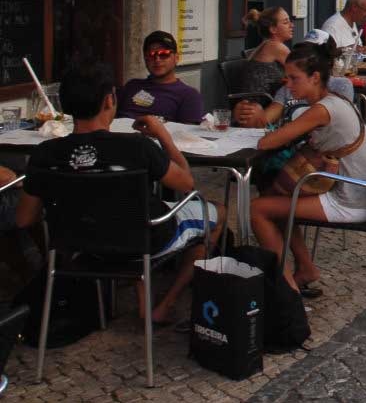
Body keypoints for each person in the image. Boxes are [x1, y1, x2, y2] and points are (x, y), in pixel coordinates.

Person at [18, 59, 224, 325]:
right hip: (144, 239)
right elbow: (186, 184)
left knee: (128, 212)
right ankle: (164, 305)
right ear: (108, 101)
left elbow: (24, 219)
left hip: (78, 246)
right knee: (218, 212)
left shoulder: (45, 154)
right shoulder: (137, 147)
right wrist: (163, 135)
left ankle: (137, 296)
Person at [249, 41, 366, 293]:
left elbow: (268, 142)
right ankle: (306, 268)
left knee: (257, 209)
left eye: (293, 78)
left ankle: (285, 290)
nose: (287, 84)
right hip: (363, 190)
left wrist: (258, 119)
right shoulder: (335, 100)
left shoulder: (321, 110)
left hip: (352, 200)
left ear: (315, 77)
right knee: (273, 198)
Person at [119, 31, 205, 124]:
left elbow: (187, 136)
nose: (157, 59)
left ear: (176, 58)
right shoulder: (132, 85)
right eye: (151, 55)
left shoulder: (188, 95)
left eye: (164, 54)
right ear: (145, 59)